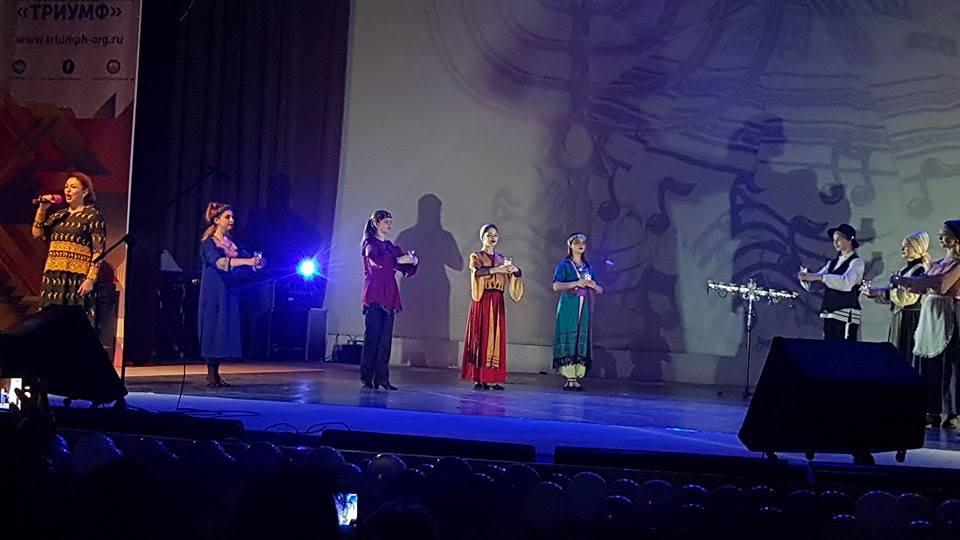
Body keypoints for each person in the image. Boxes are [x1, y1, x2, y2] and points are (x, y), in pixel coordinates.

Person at [893, 220, 960, 429]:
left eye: (945, 234)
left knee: (949, 363)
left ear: (956, 239)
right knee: (929, 362)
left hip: (949, 312)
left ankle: (952, 411)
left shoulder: (957, 264)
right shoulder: (938, 263)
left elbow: (941, 284)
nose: (940, 237)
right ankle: (932, 410)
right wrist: (910, 283)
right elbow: (923, 286)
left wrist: (909, 281)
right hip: (930, 314)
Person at [198, 202, 264, 387]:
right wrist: (247, 261)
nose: (231, 220)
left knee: (223, 328)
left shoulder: (232, 244)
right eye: (227, 217)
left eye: (232, 217)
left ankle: (216, 372)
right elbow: (219, 262)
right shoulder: (209, 243)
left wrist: (256, 263)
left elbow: (246, 259)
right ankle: (211, 372)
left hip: (229, 290)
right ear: (216, 220)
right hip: (214, 291)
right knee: (213, 326)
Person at [32, 172, 106, 325]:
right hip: (54, 276)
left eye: (73, 187)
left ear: (85, 192)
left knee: (73, 324)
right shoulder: (58, 215)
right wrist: (42, 209)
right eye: (66, 187)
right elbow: (37, 234)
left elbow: (98, 250)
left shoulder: (92, 216)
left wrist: (90, 279)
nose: (68, 190)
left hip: (76, 278)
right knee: (49, 323)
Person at [361, 210, 419, 390]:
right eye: (386, 222)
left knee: (385, 339)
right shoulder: (370, 244)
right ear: (376, 223)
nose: (389, 225)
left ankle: (382, 378)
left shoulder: (389, 246)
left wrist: (413, 261)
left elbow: (403, 266)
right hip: (375, 292)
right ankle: (367, 377)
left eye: (390, 222)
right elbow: (378, 262)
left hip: (389, 293)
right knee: (373, 337)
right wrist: (399, 259)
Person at [461, 224, 523, 390]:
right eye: (489, 235)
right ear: (482, 237)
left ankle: (494, 378)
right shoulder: (477, 256)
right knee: (482, 335)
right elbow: (477, 272)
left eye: (495, 235)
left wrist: (516, 271)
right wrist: (497, 269)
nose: (493, 238)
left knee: (496, 337)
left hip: (497, 299)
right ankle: (480, 377)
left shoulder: (502, 258)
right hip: (483, 299)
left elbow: (512, 276)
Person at [862, 231, 931, 363]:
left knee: (906, 353)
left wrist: (880, 293)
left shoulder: (920, 270)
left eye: (906, 246)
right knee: (897, 351)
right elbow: (894, 291)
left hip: (910, 317)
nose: (903, 249)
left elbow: (909, 297)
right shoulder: (904, 270)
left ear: (916, 247)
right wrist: (874, 292)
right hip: (900, 315)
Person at [551, 233, 603, 391]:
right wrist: (576, 283)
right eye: (577, 242)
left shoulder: (589, 267)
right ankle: (569, 376)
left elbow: (600, 289)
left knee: (581, 335)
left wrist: (593, 285)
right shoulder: (564, 265)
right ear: (571, 245)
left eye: (583, 243)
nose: (581, 245)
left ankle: (577, 375)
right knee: (569, 334)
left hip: (585, 305)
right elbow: (556, 286)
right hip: (569, 304)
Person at [799, 223, 865, 340]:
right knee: (829, 347)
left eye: (839, 239)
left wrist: (819, 277)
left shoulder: (856, 262)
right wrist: (806, 278)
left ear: (850, 240)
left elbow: (846, 283)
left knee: (844, 349)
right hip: (829, 313)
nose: (835, 243)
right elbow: (816, 283)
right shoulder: (832, 264)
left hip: (846, 314)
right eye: (834, 240)